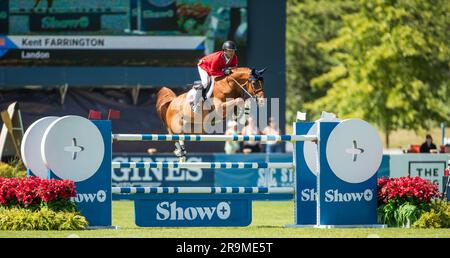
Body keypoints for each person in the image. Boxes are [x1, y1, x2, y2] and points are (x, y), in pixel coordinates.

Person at [191, 40, 238, 113]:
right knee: (205, 82)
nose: (232, 53)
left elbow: (234, 68)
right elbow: (212, 72)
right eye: (230, 51)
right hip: (204, 67)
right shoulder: (217, 58)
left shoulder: (234, 57)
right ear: (224, 51)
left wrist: (229, 70)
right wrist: (224, 72)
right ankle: (195, 104)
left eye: (233, 51)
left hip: (217, 69)